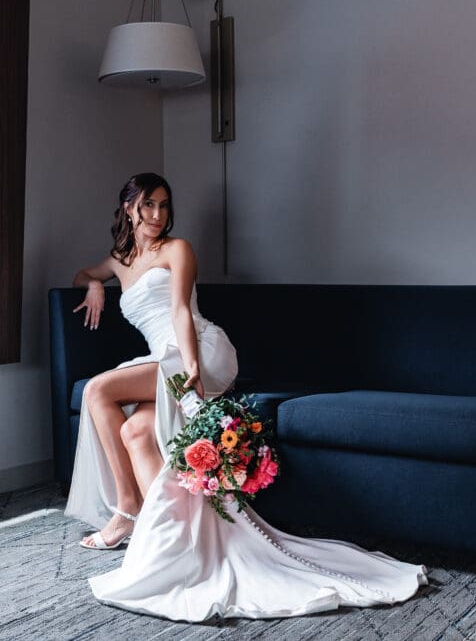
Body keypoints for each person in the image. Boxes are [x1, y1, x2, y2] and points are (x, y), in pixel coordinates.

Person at [64, 173, 427, 621]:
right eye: (147, 206)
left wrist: (192, 365)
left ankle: (127, 512)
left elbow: (180, 309)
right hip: (160, 357)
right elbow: (84, 273)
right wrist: (95, 284)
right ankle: (168, 538)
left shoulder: (178, 250)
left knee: (99, 388)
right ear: (127, 209)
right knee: (137, 431)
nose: (157, 215)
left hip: (199, 347)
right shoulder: (119, 261)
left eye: (163, 205)